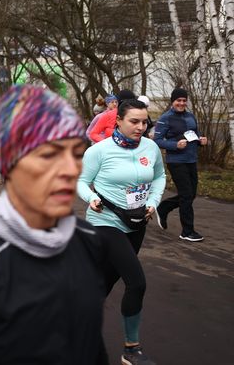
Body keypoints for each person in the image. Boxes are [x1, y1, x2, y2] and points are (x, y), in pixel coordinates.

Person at [0, 85, 108, 365]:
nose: (69, 170)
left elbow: (92, 343)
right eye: (49, 155)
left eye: (74, 153)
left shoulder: (88, 241)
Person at [78, 99, 165, 365]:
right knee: (136, 282)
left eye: (144, 121)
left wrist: (153, 202)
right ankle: (132, 349)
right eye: (134, 121)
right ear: (118, 121)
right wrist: (90, 198)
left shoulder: (151, 148)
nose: (140, 126)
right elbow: (81, 181)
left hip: (136, 222)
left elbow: (159, 177)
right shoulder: (99, 151)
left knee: (104, 282)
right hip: (105, 221)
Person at [153, 88, 207, 242]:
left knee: (191, 194)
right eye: (178, 100)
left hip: (191, 160)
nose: (181, 103)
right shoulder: (165, 118)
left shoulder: (191, 116)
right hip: (176, 161)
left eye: (184, 100)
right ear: (173, 101)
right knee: (186, 195)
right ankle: (187, 231)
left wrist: (201, 142)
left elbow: (193, 136)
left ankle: (163, 208)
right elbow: (157, 140)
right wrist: (175, 145)